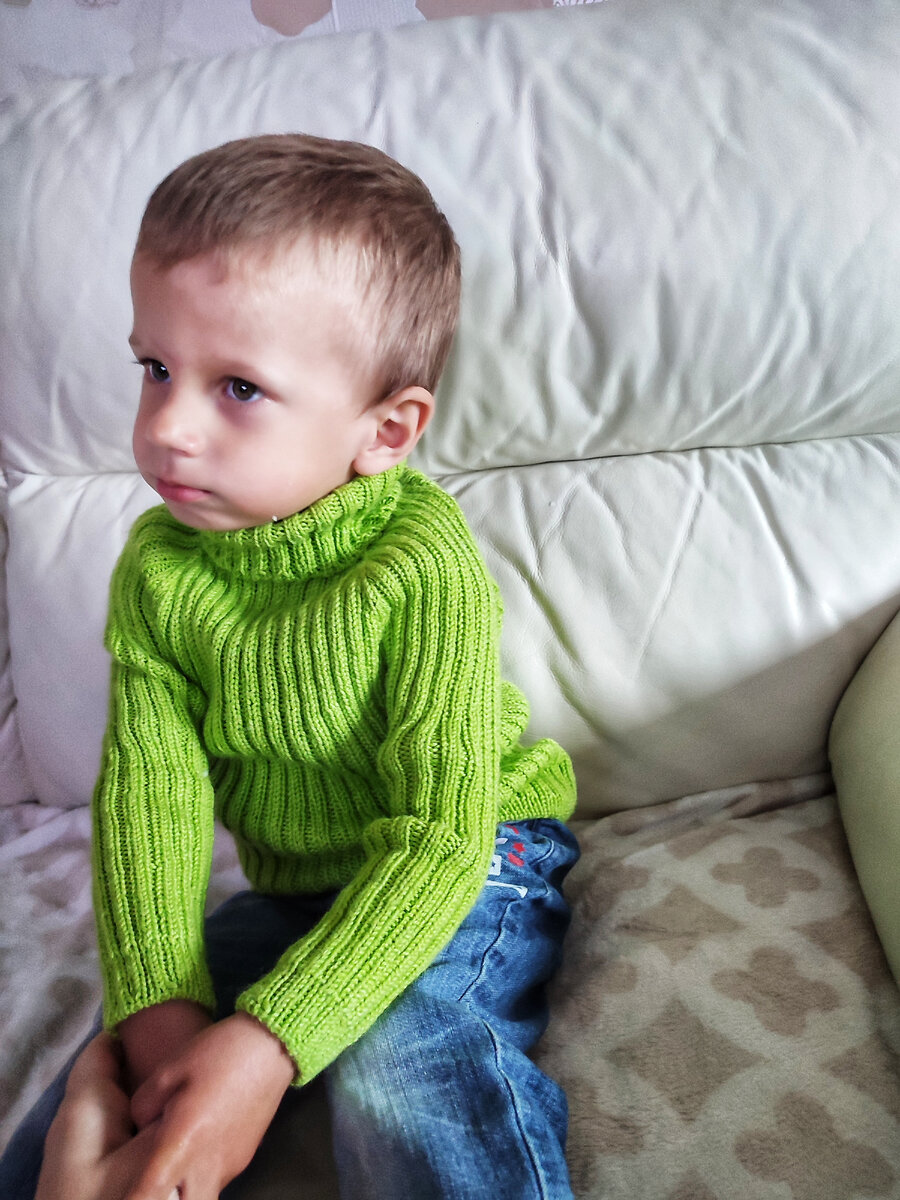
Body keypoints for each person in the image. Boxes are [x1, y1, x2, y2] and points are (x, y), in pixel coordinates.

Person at [0, 133, 578, 1200]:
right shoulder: (161, 571)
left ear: (386, 432)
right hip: (300, 886)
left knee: (400, 1071)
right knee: (102, 1091)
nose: (167, 428)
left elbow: (439, 837)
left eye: (239, 387)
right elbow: (152, 796)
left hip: (472, 854)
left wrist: (271, 1043)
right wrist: (159, 1008)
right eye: (155, 369)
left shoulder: (421, 562)